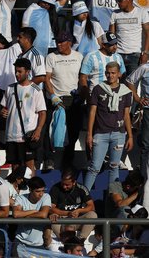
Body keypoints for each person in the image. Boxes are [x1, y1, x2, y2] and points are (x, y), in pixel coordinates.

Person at [83, 61, 133, 190]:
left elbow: (126, 115)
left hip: (119, 134)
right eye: (108, 73)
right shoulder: (98, 89)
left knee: (114, 166)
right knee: (94, 167)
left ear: (119, 74)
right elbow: (92, 112)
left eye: (113, 73)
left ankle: (112, 198)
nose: (110, 76)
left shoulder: (126, 91)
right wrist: (89, 134)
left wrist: (130, 136)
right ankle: (84, 197)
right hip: (101, 133)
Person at [1, 58, 47, 173]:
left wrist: (38, 130)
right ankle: (17, 190)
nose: (17, 74)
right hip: (11, 135)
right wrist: (3, 111)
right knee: (15, 166)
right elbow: (4, 107)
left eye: (20, 71)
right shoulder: (10, 88)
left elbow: (42, 113)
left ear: (27, 72)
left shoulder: (36, 90)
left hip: (27, 135)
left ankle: (31, 189)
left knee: (29, 167)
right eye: (16, 71)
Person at [45, 32, 84, 168]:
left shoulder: (79, 56)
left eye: (62, 42)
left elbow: (82, 77)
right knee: (49, 129)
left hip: (73, 99)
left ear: (70, 43)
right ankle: (49, 159)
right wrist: (52, 95)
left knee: (73, 132)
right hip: (56, 99)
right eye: (57, 42)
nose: (58, 44)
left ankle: (68, 161)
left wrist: (80, 93)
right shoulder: (51, 57)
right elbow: (47, 78)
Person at [48, 167, 97, 243]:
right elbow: (51, 208)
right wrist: (68, 213)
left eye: (67, 185)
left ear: (74, 182)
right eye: (63, 184)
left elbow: (91, 206)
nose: (64, 187)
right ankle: (66, 243)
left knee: (92, 215)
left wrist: (79, 210)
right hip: (62, 218)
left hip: (77, 218)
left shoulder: (81, 188)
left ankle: (80, 241)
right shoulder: (55, 188)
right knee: (53, 221)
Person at [109, 0, 149, 75]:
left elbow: (148, 34)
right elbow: (111, 35)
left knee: (132, 84)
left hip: (135, 56)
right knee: (117, 84)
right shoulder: (114, 14)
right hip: (118, 55)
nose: (118, 2)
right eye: (117, 0)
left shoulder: (141, 12)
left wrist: (145, 53)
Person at [13, 177, 52, 252]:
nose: (41, 194)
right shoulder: (20, 198)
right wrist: (34, 211)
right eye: (37, 191)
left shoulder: (46, 196)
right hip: (20, 241)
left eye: (43, 191)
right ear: (30, 190)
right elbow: (16, 214)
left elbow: (43, 214)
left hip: (38, 244)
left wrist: (26, 215)